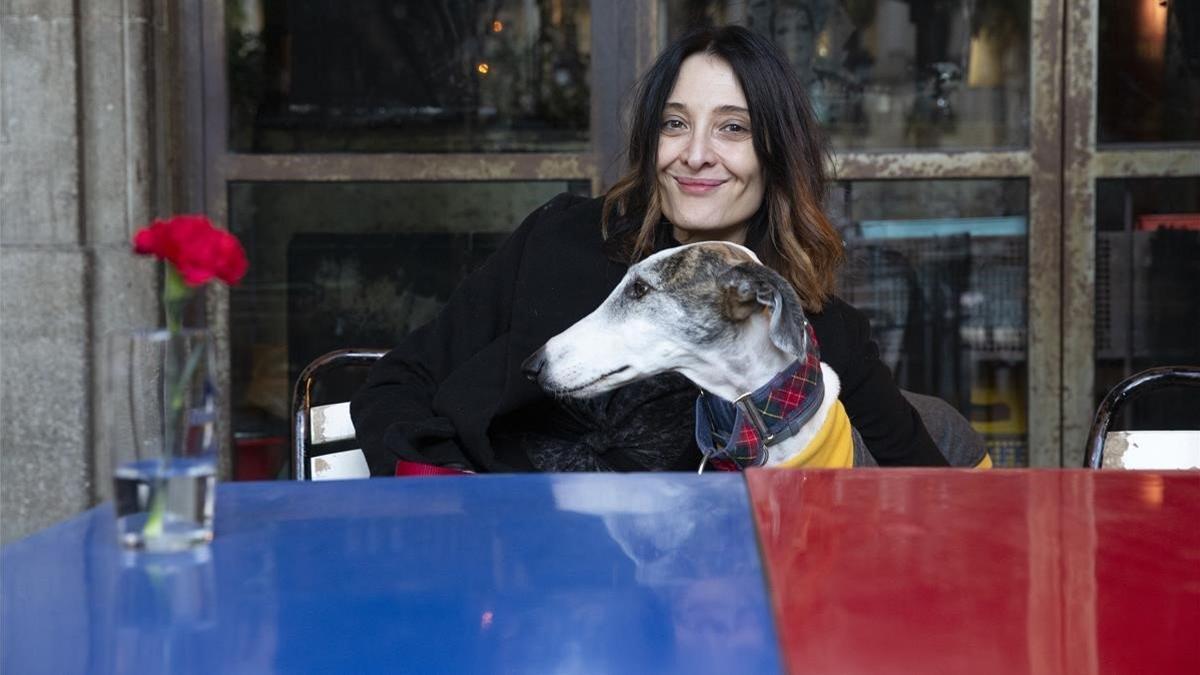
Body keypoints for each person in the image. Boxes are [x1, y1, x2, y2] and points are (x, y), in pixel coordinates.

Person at [351, 25, 952, 476]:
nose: (694, 154)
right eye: (674, 124)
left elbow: (934, 497)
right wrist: (441, 496)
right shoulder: (561, 241)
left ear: (777, 153)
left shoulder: (816, 332)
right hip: (505, 578)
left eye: (732, 128)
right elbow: (401, 380)